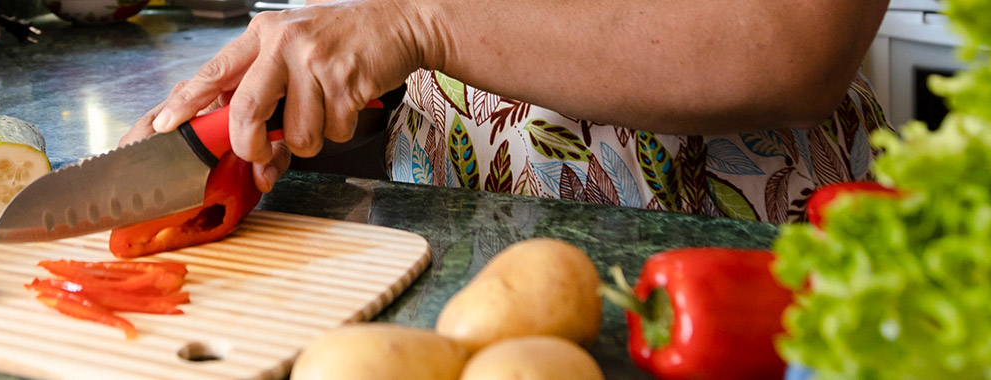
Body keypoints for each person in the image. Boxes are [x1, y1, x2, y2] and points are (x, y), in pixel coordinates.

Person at [120, 0, 894, 223]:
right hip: (445, 221)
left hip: (723, 234)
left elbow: (791, 40)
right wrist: (306, 64)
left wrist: (416, 25)